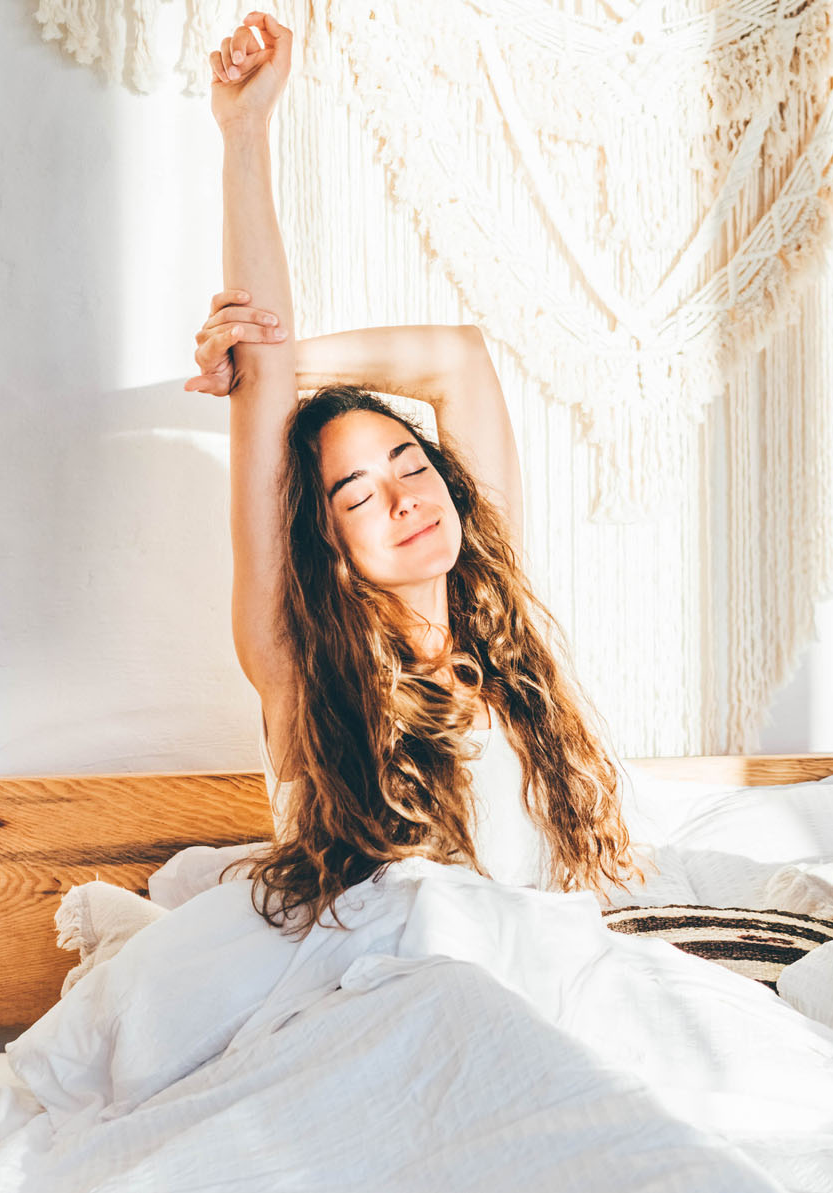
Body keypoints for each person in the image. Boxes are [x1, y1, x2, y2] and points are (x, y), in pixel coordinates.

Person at [181, 11, 639, 934]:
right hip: (404, 995)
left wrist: (286, 363)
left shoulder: (496, 635)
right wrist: (245, 132)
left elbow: (458, 359)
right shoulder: (300, 668)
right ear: (328, 544)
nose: (402, 495)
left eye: (408, 460)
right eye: (355, 494)